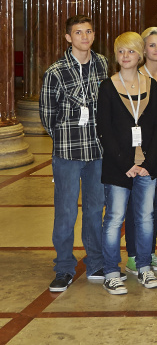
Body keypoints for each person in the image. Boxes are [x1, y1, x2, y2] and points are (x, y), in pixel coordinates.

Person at [40, 15, 109, 292]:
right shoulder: (55, 72)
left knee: (95, 209)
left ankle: (95, 262)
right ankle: (64, 268)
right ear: (68, 37)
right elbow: (47, 116)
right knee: (66, 212)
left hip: (97, 151)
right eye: (78, 32)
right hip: (68, 153)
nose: (84, 36)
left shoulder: (102, 63)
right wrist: (65, 138)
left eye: (89, 31)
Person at [97, 32, 157, 294]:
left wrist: (147, 162)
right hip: (118, 166)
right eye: (121, 52)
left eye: (131, 51)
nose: (126, 56)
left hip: (147, 166)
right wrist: (126, 163)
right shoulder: (107, 86)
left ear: (140, 55)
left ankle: (144, 268)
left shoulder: (152, 85)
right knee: (114, 219)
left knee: (145, 218)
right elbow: (104, 129)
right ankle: (112, 271)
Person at [124, 26, 157, 274]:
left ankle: (149, 252)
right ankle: (133, 254)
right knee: (136, 202)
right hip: (138, 149)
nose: (156, 49)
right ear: (143, 49)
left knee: (155, 203)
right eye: (151, 45)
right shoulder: (132, 74)